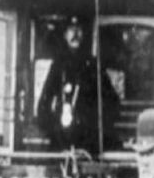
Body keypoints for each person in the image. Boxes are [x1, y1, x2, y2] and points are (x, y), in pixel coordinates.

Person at [36, 15, 120, 154]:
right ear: (64, 35)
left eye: (79, 29)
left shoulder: (93, 66)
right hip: (61, 144)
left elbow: (113, 104)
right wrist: (54, 130)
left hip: (88, 146)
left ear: (84, 34)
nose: (75, 34)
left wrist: (97, 130)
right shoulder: (58, 66)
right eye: (70, 29)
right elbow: (43, 106)